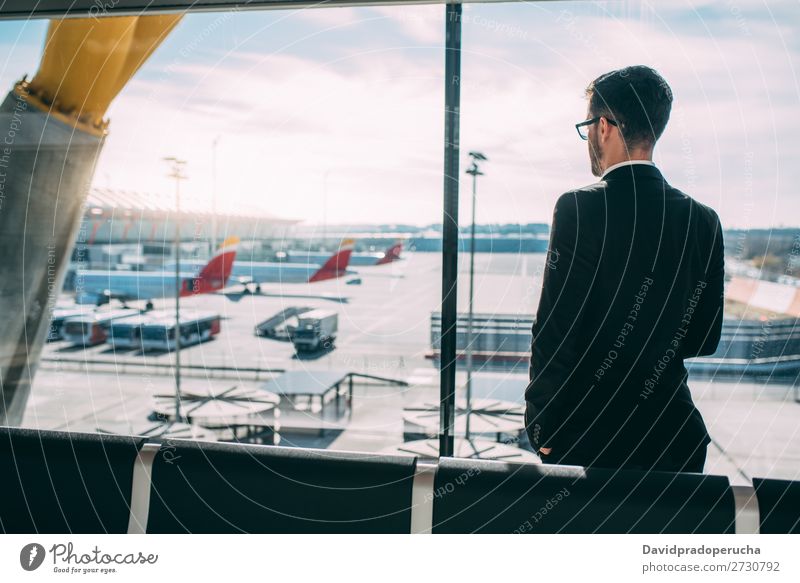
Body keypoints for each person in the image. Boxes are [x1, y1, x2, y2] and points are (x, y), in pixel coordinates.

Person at [524, 65, 724, 473]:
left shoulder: (578, 208)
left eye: (587, 128)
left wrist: (542, 427)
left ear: (603, 127)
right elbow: (704, 338)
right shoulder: (704, 220)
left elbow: (555, 330)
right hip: (674, 439)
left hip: (589, 439)